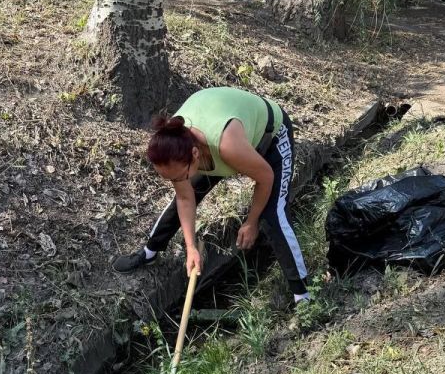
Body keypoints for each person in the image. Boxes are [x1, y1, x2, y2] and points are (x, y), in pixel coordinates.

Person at [112, 87, 312, 305]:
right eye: (170, 178)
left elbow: (266, 178)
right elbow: (185, 199)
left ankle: (302, 295)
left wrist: (251, 222)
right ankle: (149, 251)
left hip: (270, 135)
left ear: (195, 155)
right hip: (216, 135)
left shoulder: (228, 147)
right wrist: (191, 248)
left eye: (178, 177)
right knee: (184, 195)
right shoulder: (175, 145)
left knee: (273, 213)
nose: (177, 182)